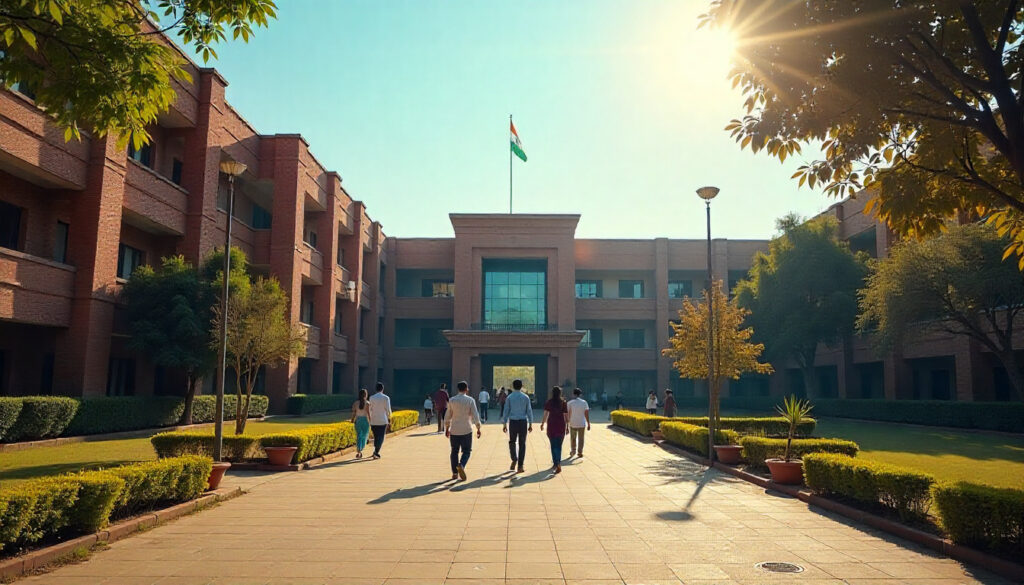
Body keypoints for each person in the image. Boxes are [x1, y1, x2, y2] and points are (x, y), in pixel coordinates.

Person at [444, 381, 482, 481]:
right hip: (466, 429)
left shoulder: (452, 400)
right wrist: (478, 427)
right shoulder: (470, 400)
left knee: (454, 451)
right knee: (466, 451)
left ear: (458, 389)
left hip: (454, 430)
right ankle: (462, 464)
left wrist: (447, 428)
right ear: (466, 389)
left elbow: (448, 415)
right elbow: (475, 415)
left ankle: (455, 473)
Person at [501, 379, 533, 473]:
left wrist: (504, 423)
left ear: (513, 386)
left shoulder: (510, 397)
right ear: (521, 386)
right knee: (522, 443)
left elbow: (506, 411)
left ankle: (514, 458)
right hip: (523, 422)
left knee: (512, 441)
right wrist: (530, 423)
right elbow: (529, 411)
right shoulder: (526, 397)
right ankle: (520, 466)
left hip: (513, 422)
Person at [540, 386, 569, 473]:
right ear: (560, 393)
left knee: (553, 445)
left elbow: (545, 414)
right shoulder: (563, 402)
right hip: (561, 425)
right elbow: (566, 416)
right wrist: (567, 426)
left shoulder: (549, 402)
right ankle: (558, 463)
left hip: (552, 425)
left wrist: (542, 423)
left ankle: (555, 463)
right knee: (559, 446)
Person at [368, 382, 392, 459]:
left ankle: (375, 450)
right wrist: (389, 418)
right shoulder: (386, 398)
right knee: (381, 437)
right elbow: (388, 410)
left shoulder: (371, 397)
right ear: (382, 389)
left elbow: (370, 409)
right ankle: (376, 452)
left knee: (376, 436)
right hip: (383, 420)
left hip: (374, 420)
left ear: (376, 389)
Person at [567, 388, 591, 458]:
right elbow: (586, 414)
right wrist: (588, 423)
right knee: (581, 438)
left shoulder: (570, 403)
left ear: (573, 394)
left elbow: (568, 414)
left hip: (573, 423)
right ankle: (580, 452)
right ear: (580, 394)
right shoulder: (584, 402)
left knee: (573, 438)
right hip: (581, 423)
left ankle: (573, 450)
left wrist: (567, 423)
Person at [350, 389, 371, 459]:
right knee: (364, 436)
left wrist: (352, 420)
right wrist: (371, 421)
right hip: (365, 421)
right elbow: (368, 413)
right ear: (366, 395)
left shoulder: (355, 403)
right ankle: (360, 449)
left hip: (358, 421)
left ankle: (359, 451)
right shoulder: (368, 403)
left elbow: (353, 413)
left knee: (359, 436)